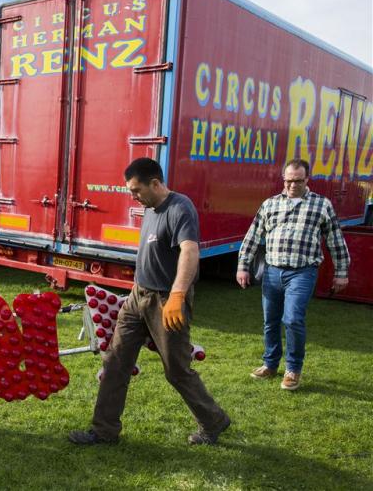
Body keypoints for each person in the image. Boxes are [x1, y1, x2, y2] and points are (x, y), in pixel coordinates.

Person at [69, 158, 230, 446]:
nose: (133, 196)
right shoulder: (151, 208)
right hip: (138, 296)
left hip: (166, 302)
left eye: (136, 190)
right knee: (115, 362)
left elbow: (189, 252)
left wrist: (178, 295)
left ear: (155, 183)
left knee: (177, 371)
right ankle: (104, 431)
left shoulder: (180, 208)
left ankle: (213, 420)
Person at [237, 158, 349, 391]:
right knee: (270, 321)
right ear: (283, 179)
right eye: (288, 180)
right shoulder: (270, 204)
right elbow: (252, 237)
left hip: (302, 272)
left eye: (297, 181)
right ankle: (269, 364)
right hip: (272, 272)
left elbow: (335, 241)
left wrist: (341, 272)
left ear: (307, 179)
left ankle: (293, 369)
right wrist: (243, 266)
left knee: (293, 319)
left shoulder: (321, 205)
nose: (291, 185)